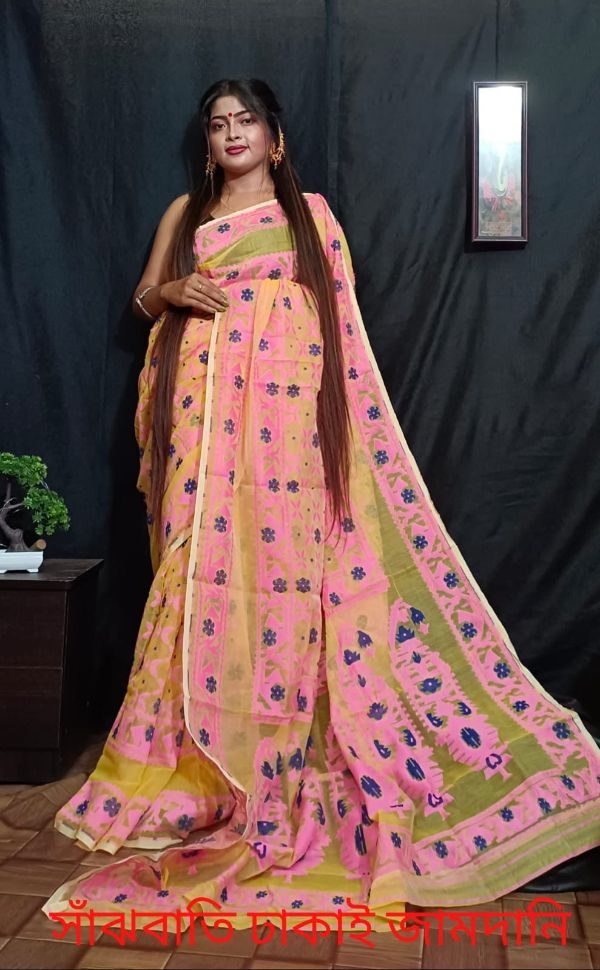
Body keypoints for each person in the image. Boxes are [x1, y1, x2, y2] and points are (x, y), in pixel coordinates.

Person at [44, 77, 600, 931]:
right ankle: (194, 770)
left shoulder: (311, 216)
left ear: (274, 137)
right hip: (203, 424)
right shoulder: (185, 215)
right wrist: (176, 294)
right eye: (218, 125)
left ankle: (279, 754)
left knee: (288, 580)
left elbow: (339, 335)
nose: (232, 134)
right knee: (195, 572)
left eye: (246, 121)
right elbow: (145, 298)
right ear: (208, 144)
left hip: (285, 433)